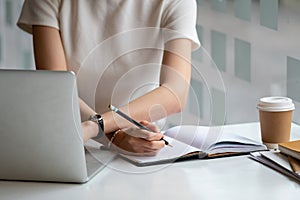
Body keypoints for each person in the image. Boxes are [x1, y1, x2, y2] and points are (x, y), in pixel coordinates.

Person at [17, 0, 200, 156]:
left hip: (140, 145)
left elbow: (176, 92)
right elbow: (56, 88)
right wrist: (113, 136)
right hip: (72, 142)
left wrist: (96, 126)